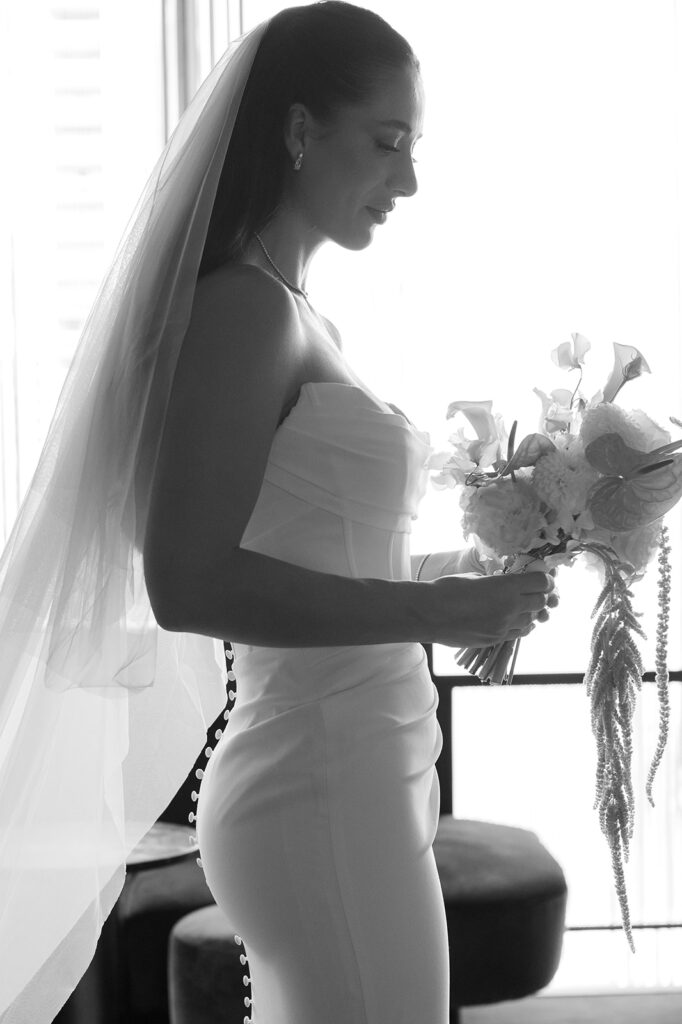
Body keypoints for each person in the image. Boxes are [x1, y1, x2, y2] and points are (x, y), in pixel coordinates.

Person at [0, 4, 555, 1022]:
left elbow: (317, 548)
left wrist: (464, 582)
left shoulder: (299, 313)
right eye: (385, 142)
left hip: (363, 767)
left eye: (414, 148)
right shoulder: (244, 309)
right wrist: (435, 613)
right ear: (300, 130)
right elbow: (188, 581)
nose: (407, 181)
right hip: (320, 776)